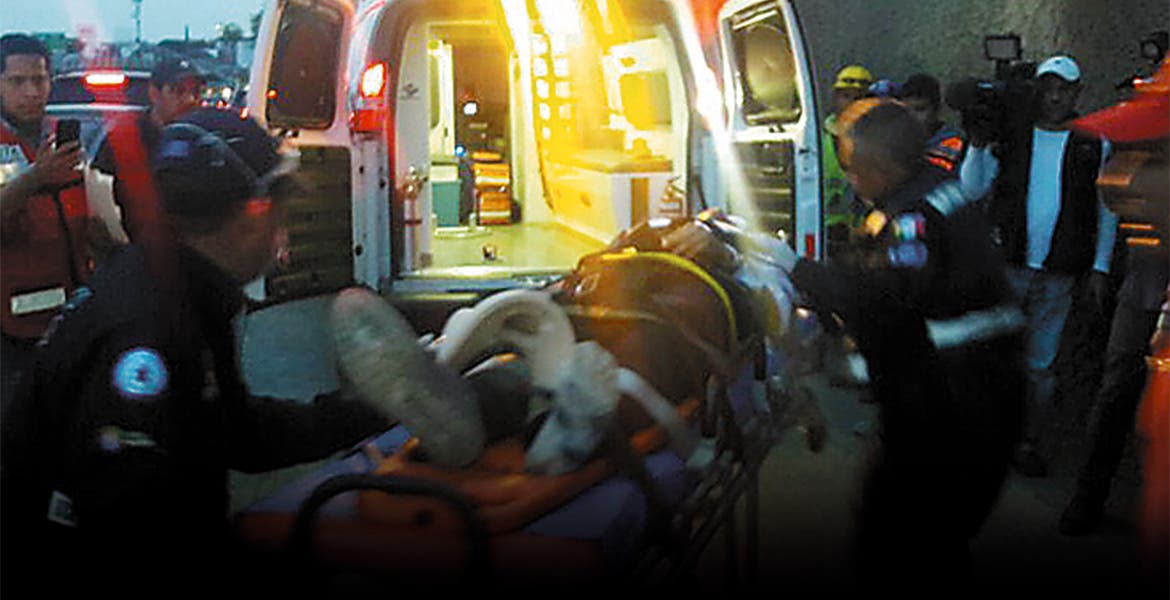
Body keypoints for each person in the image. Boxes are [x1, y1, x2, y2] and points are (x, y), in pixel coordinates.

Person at [0, 108, 395, 592]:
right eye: (281, 217)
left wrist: (375, 410)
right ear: (252, 213)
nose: (284, 239)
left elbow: (234, 430)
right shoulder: (147, 330)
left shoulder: (177, 288)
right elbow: (131, 528)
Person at [667, 99, 1024, 589]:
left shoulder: (912, 219)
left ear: (883, 166)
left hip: (955, 409)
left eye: (854, 168)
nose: (850, 179)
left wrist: (791, 264)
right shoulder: (935, 190)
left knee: (899, 535)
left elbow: (880, 300)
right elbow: (874, 282)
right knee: (928, 538)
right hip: (975, 395)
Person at [959, 54, 1119, 478]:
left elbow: (1106, 209)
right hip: (1008, 264)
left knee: (1040, 366)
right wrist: (977, 144)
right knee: (995, 353)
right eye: (1048, 88)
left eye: (1064, 89)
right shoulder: (1013, 136)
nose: (1054, 97)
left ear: (1077, 93)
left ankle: (1024, 441)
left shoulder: (1093, 143)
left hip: (1059, 273)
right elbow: (971, 189)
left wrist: (1101, 267)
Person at [1059, 55, 1169, 555]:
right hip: (1144, 285)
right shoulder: (1138, 149)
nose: (1122, 182)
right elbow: (1113, 195)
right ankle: (1089, 496)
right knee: (1117, 390)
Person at [0, 33, 93, 414]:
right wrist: (35, 178)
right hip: (9, 331)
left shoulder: (61, 138)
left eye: (39, 80)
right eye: (17, 81)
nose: (31, 92)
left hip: (70, 315)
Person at [91, 57, 205, 243]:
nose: (190, 100)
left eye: (196, 92)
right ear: (154, 94)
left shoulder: (206, 141)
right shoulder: (124, 140)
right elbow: (99, 201)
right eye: (178, 91)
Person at [823, 64, 873, 259]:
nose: (852, 104)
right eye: (846, 96)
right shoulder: (817, 139)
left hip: (863, 243)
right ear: (835, 98)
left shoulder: (878, 143)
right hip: (824, 236)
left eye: (859, 98)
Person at [899, 72, 966, 174]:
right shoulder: (896, 142)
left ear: (937, 109)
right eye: (906, 111)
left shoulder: (955, 143)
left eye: (920, 109)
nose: (912, 117)